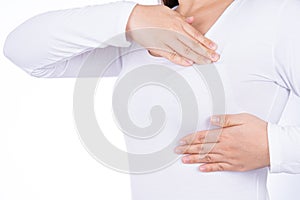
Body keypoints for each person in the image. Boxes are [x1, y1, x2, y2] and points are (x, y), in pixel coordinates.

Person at [3, 0, 300, 200]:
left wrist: (275, 147)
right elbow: (25, 51)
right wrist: (130, 17)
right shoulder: (147, 22)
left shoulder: (280, 16)